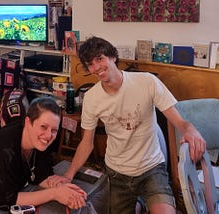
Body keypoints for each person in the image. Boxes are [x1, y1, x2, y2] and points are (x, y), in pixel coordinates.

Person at [47, 36, 206, 214]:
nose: (96, 67)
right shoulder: (91, 98)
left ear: (112, 57)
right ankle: (140, 204)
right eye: (90, 64)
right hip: (117, 172)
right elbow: (87, 142)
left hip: (152, 168)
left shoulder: (146, 82)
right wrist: (68, 174)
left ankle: (143, 202)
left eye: (100, 59)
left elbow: (178, 120)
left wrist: (190, 130)